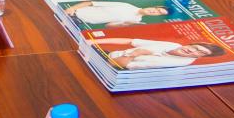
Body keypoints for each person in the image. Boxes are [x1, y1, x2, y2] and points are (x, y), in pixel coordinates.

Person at [96, 37, 225, 70]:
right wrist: (93, 41)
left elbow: (115, 65)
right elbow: (131, 41)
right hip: (107, 54)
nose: (192, 50)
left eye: (200, 52)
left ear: (200, 57)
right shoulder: (175, 45)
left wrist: (134, 54)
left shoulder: (175, 63)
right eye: (195, 47)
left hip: (108, 66)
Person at [62, 1, 171, 27]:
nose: (154, 11)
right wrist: (71, 9)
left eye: (158, 13)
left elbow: (108, 25)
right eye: (157, 9)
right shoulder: (127, 5)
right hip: (73, 12)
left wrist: (125, 24)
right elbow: (91, 3)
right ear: (154, 6)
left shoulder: (136, 21)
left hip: (78, 23)